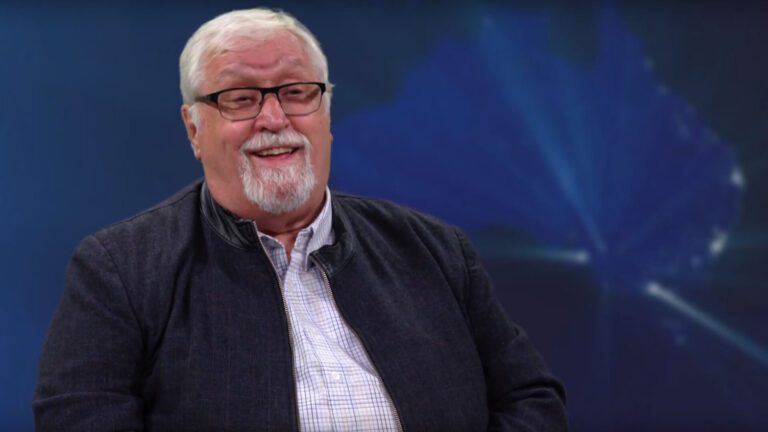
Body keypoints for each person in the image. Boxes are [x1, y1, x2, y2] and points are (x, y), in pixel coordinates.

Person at [34, 7, 567, 431]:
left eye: (296, 93)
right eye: (240, 98)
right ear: (194, 129)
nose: (274, 119)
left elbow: (530, 399)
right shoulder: (120, 270)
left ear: (326, 113)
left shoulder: (435, 249)